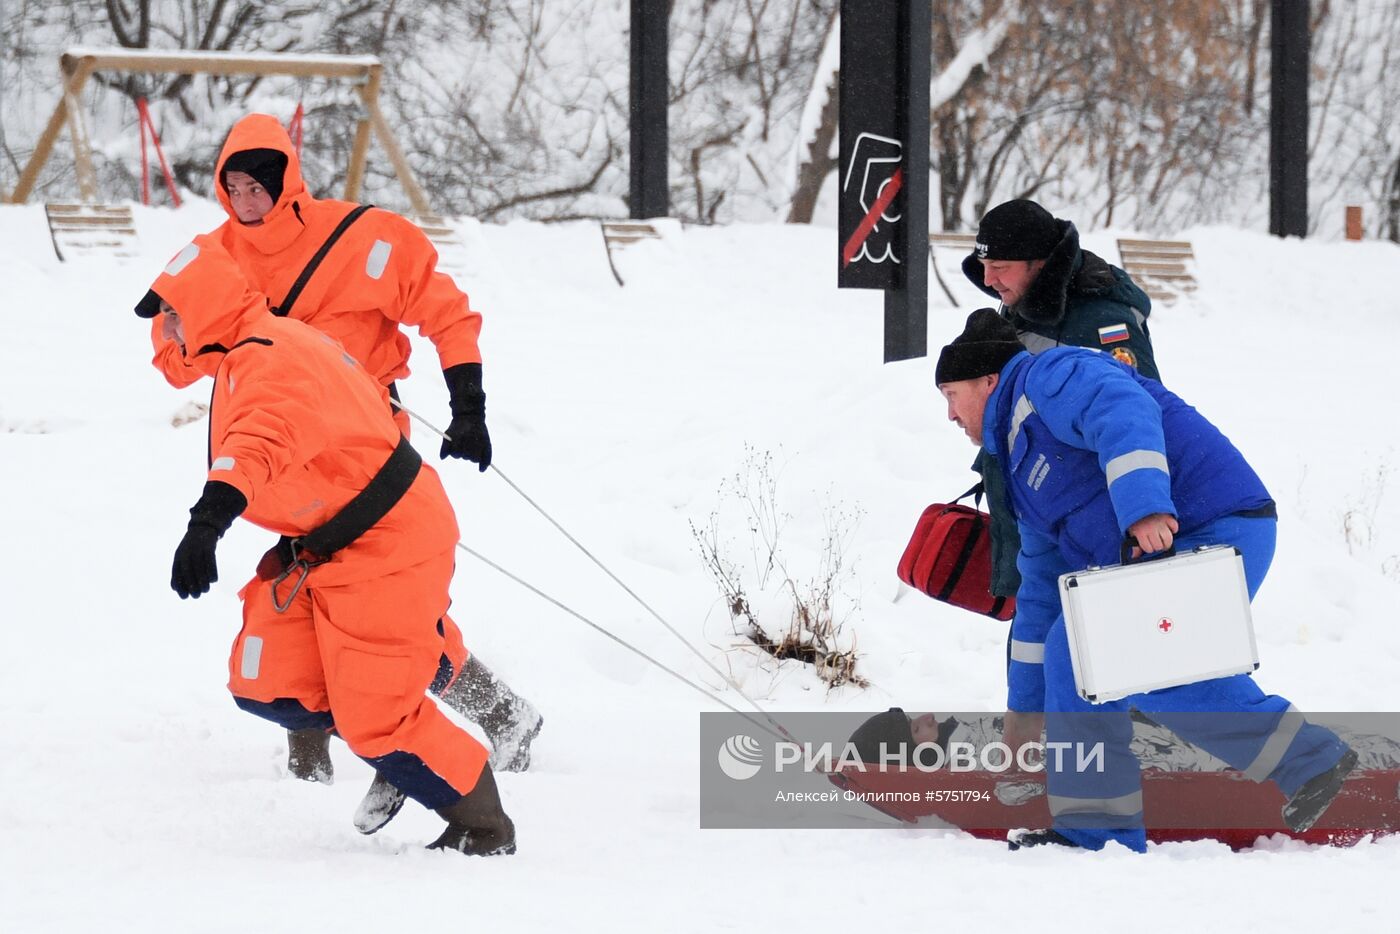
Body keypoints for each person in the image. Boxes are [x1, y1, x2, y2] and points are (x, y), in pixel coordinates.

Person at [146, 113, 540, 830]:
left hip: (369, 461)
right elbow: (178, 356)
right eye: (231, 184)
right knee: (304, 605)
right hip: (272, 456)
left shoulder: (365, 239)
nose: (245, 197)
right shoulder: (209, 261)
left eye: (258, 182)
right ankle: (338, 754)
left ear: (286, 178)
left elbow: (448, 314)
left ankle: (451, 728)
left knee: (379, 617)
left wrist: (469, 407)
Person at [931, 308, 1357, 852]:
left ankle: (1101, 830)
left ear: (988, 380)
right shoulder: (1017, 474)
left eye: (950, 394)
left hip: (1212, 523)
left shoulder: (1050, 376)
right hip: (1163, 548)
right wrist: (1025, 712)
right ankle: (1308, 763)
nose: (948, 414)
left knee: (1104, 652)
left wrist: (1144, 506)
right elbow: (1040, 594)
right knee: (1100, 652)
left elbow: (1122, 406)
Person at [958, 199, 1159, 606]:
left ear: (1041, 262)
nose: (989, 278)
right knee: (1038, 647)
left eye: (1001, 267)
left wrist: (1140, 511)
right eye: (984, 265)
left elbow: (1141, 416)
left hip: (1087, 524)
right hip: (1042, 517)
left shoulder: (1101, 318)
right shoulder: (1025, 302)